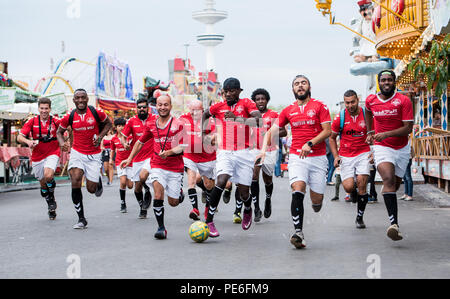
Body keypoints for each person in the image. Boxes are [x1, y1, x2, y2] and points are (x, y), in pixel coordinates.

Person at [258, 75, 331, 249]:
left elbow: (327, 131)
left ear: (309, 87)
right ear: (293, 89)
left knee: (316, 202)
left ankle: (316, 203)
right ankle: (298, 232)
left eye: (303, 83)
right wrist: (262, 151)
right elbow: (271, 132)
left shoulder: (320, 106)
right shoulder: (287, 110)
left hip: (318, 158)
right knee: (298, 189)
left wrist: (311, 143)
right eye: (296, 84)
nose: (300, 86)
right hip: (297, 157)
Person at [201, 77, 262, 237]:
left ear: (239, 91)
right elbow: (205, 114)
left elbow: (258, 121)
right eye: (225, 91)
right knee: (221, 181)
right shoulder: (218, 106)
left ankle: (247, 208)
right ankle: (209, 221)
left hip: (244, 153)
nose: (228, 94)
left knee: (244, 193)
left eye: (231, 91)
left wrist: (237, 119)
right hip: (225, 151)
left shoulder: (247, 103)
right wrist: (203, 134)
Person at [121, 95, 185, 239]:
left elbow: (183, 146)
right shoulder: (152, 125)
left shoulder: (179, 123)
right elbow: (139, 142)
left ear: (170, 106)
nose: (163, 107)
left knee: (173, 202)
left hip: (175, 167)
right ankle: (161, 228)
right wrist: (129, 158)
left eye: (166, 105)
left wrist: (168, 152)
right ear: (156, 106)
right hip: (157, 164)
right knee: (158, 193)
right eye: (160, 105)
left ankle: (178, 192)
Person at [365, 70, 414, 241]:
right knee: (388, 180)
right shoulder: (371, 100)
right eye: (384, 80)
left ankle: (388, 191)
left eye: (390, 80)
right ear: (379, 82)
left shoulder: (404, 100)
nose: (387, 82)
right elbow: (367, 110)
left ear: (394, 82)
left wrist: (386, 133)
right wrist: (371, 131)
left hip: (402, 148)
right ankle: (394, 224)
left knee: (395, 185)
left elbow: (408, 128)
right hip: (382, 147)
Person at [56, 89, 112, 229]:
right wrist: (62, 143)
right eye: (77, 98)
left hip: (94, 155)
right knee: (75, 179)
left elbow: (108, 124)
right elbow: (59, 131)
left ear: (87, 99)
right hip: (77, 153)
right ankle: (81, 218)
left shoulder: (95, 112)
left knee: (91, 190)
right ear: (74, 100)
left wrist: (100, 137)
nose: (80, 100)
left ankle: (96, 180)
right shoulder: (69, 116)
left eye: (83, 98)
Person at [330, 89, 371, 229]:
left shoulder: (367, 114)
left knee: (362, 183)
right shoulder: (340, 117)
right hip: (346, 155)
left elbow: (375, 133)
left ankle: (360, 217)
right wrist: (336, 156)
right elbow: (331, 138)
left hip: (363, 153)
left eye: (352, 102)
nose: (350, 105)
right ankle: (353, 192)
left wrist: (374, 151)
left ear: (357, 100)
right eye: (347, 103)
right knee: (348, 186)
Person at [18, 97, 61, 220]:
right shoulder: (32, 121)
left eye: (46, 108)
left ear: (50, 109)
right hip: (37, 155)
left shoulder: (56, 121)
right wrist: (28, 141)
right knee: (43, 185)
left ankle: (51, 197)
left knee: (48, 175)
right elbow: (19, 137)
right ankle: (50, 206)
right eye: (41, 108)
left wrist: (65, 142)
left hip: (52, 152)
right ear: (38, 109)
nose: (44, 111)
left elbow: (67, 129)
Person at [250, 88, 287, 222]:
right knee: (254, 176)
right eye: (257, 99)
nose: (260, 101)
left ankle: (268, 199)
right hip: (254, 150)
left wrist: (270, 133)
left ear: (267, 100)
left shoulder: (274, 115)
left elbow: (284, 132)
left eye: (263, 99)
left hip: (270, 150)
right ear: (254, 101)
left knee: (267, 178)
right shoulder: (251, 116)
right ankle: (256, 208)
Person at [179, 100, 216, 221]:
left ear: (202, 109)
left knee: (209, 185)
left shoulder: (208, 121)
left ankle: (207, 207)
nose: (194, 112)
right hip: (190, 156)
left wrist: (209, 139)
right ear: (189, 109)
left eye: (197, 110)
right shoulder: (183, 119)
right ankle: (195, 209)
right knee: (191, 181)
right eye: (192, 110)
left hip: (207, 157)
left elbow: (215, 136)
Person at [119, 98, 154, 219]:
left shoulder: (154, 119)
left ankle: (148, 191)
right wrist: (125, 144)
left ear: (148, 108)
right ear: (136, 109)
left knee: (143, 176)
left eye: (144, 107)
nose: (142, 109)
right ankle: (142, 207)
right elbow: (123, 136)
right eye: (139, 107)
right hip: (137, 157)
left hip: (151, 156)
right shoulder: (131, 121)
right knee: (137, 187)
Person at [110, 118, 134, 213]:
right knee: (122, 182)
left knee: (130, 186)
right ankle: (123, 203)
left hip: (130, 162)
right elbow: (112, 150)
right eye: (119, 126)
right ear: (116, 128)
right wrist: (111, 159)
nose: (121, 128)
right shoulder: (113, 139)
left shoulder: (130, 137)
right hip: (119, 162)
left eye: (123, 126)